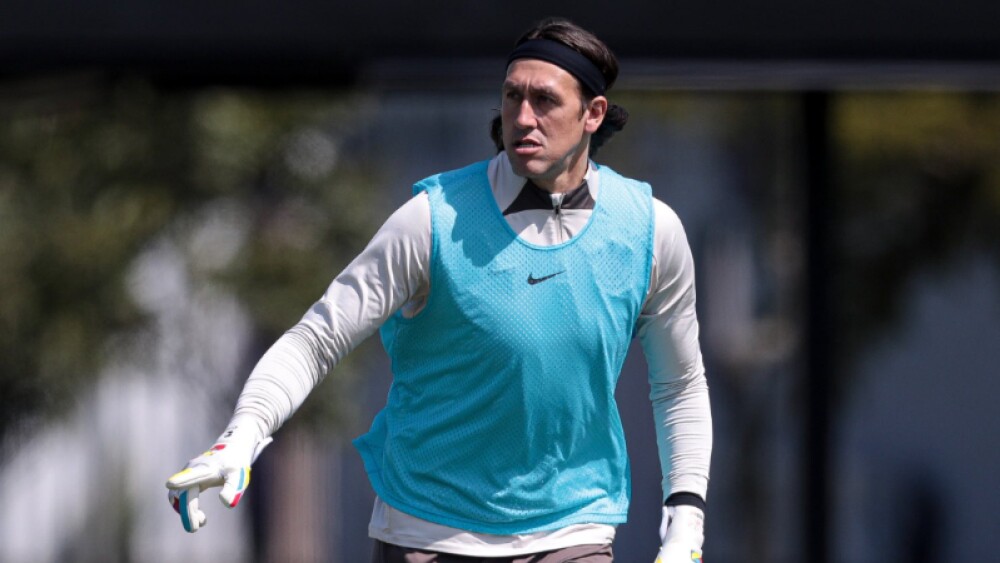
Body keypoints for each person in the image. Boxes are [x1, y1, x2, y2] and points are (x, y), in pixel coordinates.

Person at [166, 17, 712, 563]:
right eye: (511, 96)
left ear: (592, 114)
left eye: (544, 101)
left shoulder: (650, 230)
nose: (523, 117)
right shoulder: (432, 219)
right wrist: (241, 437)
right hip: (427, 534)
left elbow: (680, 383)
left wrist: (685, 524)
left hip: (573, 531)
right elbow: (318, 337)